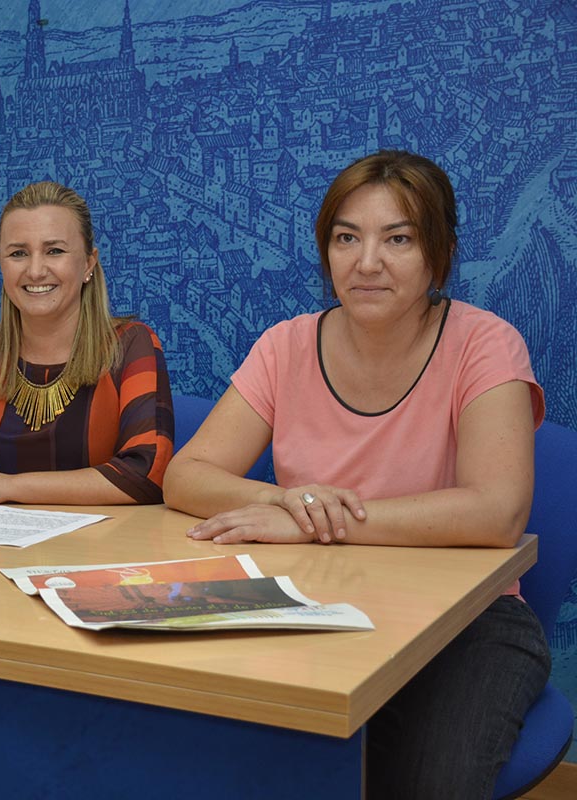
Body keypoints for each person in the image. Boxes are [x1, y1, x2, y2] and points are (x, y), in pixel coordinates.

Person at [163, 150, 549, 799]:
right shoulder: (286, 344)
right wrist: (290, 501)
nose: (367, 262)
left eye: (397, 239)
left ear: (441, 253)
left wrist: (318, 525)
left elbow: (497, 513)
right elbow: (186, 477)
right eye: (347, 238)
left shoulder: (485, 343)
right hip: (315, 608)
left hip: (466, 624)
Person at [0, 181, 174, 512]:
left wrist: (7, 486)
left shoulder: (130, 344)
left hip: (106, 551)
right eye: (18, 253)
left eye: (54, 251)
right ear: (1, 265)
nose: (36, 271)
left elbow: (147, 471)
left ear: (89, 264)